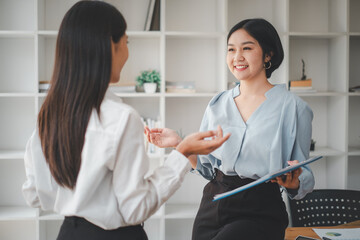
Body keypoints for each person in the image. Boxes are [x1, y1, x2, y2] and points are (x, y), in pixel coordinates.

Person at [21, 1, 230, 240]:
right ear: (109, 45)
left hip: (69, 233)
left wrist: (86, 197)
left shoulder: (48, 114)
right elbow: (135, 208)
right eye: (126, 42)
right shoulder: (120, 118)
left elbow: (34, 194)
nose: (127, 52)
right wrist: (182, 153)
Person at [145, 18, 315, 240]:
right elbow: (207, 170)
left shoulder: (294, 108)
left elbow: (306, 174)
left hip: (260, 210)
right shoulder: (218, 104)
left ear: (268, 54)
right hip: (213, 205)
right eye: (231, 49)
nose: (237, 57)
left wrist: (295, 181)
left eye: (247, 48)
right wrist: (179, 143)